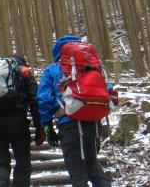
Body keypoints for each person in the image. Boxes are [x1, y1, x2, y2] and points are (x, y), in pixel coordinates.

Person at [37, 35, 115, 187]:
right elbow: (108, 90)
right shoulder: (93, 66)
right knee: (92, 165)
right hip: (93, 122)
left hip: (69, 125)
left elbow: (44, 99)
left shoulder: (53, 69)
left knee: (77, 172)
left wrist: (47, 127)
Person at [0, 55, 44, 187]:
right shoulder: (23, 71)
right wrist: (39, 126)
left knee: (0, 163)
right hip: (17, 121)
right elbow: (35, 101)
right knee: (23, 163)